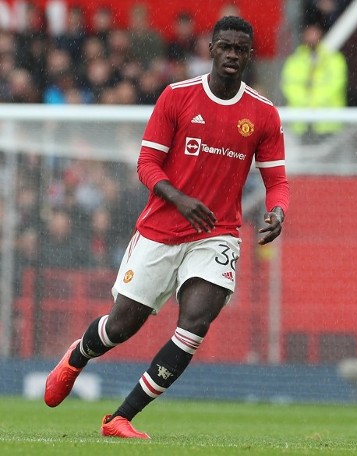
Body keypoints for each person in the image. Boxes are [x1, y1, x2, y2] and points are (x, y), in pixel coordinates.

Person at [44, 16, 289, 439]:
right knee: (120, 327)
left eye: (240, 49)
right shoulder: (177, 97)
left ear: (250, 55)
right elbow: (146, 164)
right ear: (211, 49)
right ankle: (79, 355)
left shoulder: (263, 114)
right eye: (225, 46)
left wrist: (278, 211)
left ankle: (121, 417)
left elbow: (277, 181)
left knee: (195, 324)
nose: (232, 54)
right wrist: (179, 198)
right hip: (161, 229)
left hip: (217, 233)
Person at [280, 22, 347, 143]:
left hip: (327, 122)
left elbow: (336, 85)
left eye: (314, 32)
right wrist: (308, 103)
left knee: (328, 153)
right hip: (301, 123)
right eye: (309, 33)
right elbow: (288, 87)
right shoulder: (294, 61)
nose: (312, 36)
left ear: (321, 34)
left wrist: (313, 104)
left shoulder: (334, 59)